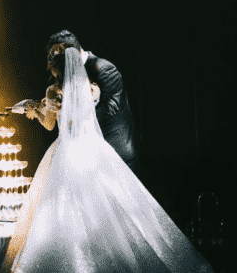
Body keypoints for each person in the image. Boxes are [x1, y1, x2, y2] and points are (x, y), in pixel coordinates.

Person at [0, 33, 228, 273]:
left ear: (55, 65)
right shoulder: (90, 88)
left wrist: (40, 111)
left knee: (62, 217)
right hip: (92, 150)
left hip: (66, 152)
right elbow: (89, 117)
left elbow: (52, 124)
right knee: (105, 217)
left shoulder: (55, 90)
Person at [9, 30, 142, 178]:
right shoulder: (70, 87)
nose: (52, 56)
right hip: (79, 150)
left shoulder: (104, 68)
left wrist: (69, 115)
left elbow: (109, 108)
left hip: (113, 149)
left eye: (56, 54)